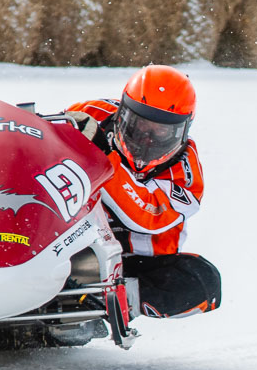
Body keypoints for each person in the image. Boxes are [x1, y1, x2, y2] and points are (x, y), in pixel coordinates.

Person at [65, 65, 221, 319]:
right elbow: (36, 134)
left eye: (162, 130)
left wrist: (103, 155)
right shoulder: (92, 113)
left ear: (183, 129)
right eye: (139, 124)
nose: (148, 137)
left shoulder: (187, 175)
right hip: (70, 244)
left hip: (136, 263)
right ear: (123, 111)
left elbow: (146, 216)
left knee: (204, 281)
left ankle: (116, 302)